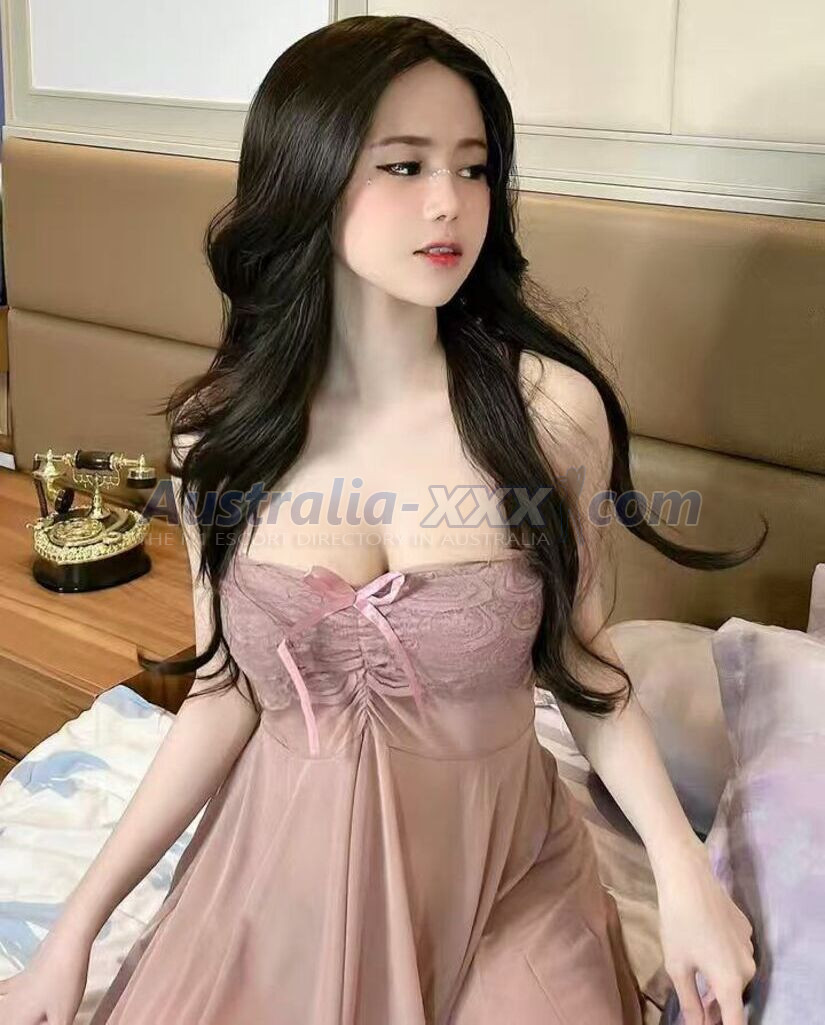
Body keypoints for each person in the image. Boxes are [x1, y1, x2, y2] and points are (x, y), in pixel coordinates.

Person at [0, 15, 763, 1025]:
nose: (449, 202)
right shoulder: (219, 436)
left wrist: (683, 874)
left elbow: (586, 666)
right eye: (403, 165)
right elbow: (224, 691)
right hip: (287, 855)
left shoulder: (549, 415)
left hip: (504, 870)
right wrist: (73, 933)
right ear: (307, 179)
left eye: (473, 168)